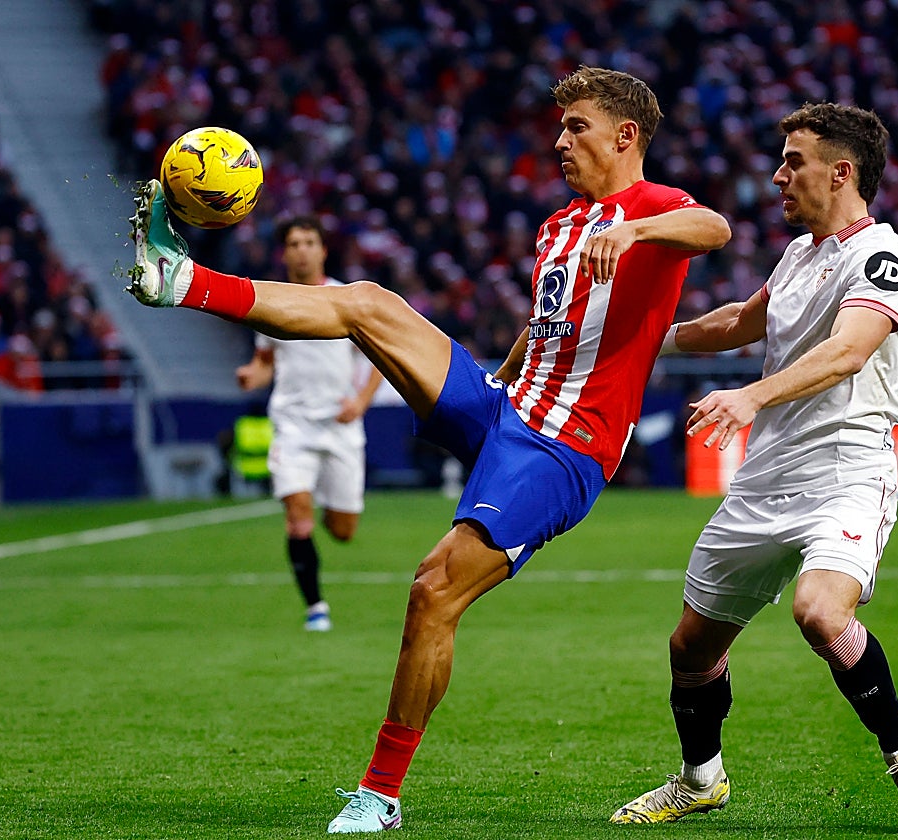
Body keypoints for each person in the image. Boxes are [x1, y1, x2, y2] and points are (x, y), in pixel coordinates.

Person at [126, 65, 731, 833]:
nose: (558, 140)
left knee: (432, 589)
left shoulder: (653, 209)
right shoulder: (560, 226)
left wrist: (636, 228)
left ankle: (379, 797)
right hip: (507, 408)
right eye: (560, 125)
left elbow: (716, 228)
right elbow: (549, 325)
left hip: (563, 447)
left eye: (575, 127)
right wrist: (501, 371)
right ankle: (179, 281)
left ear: (625, 135)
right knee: (368, 303)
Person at [610, 103, 898, 830]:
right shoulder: (799, 255)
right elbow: (740, 321)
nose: (777, 176)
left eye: (793, 161)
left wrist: (749, 395)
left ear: (842, 171)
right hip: (766, 476)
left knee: (820, 612)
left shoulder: (881, 255)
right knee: (690, 647)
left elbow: (848, 351)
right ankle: (700, 780)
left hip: (846, 469)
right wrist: (642, 342)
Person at [234, 216, 385, 632]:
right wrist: (252, 375)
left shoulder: (345, 299)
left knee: (343, 530)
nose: (301, 249)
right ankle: (316, 607)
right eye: (294, 243)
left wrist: (361, 402)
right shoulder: (272, 301)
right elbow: (266, 363)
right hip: (293, 426)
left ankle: (323, 505)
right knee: (297, 518)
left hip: (340, 426)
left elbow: (377, 359)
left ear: (323, 250)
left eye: (309, 242)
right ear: (283, 253)